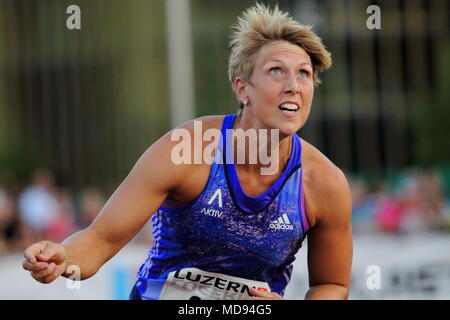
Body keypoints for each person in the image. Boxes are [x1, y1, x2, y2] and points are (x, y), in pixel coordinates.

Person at [22, 4, 352, 300]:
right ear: (243, 89)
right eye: (276, 70)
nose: (293, 84)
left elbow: (332, 284)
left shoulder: (324, 183)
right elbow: (99, 241)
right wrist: (63, 256)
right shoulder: (188, 150)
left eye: (304, 73)